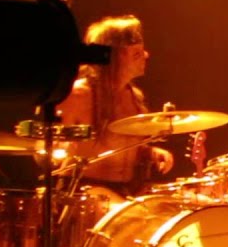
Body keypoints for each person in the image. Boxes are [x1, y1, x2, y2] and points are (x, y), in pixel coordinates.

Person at [56, 15, 174, 196]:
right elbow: (51, 147)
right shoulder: (77, 95)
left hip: (126, 190)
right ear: (113, 56)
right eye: (137, 53)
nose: (146, 55)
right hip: (84, 191)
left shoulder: (134, 96)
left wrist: (150, 152)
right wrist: (62, 148)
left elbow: (127, 145)